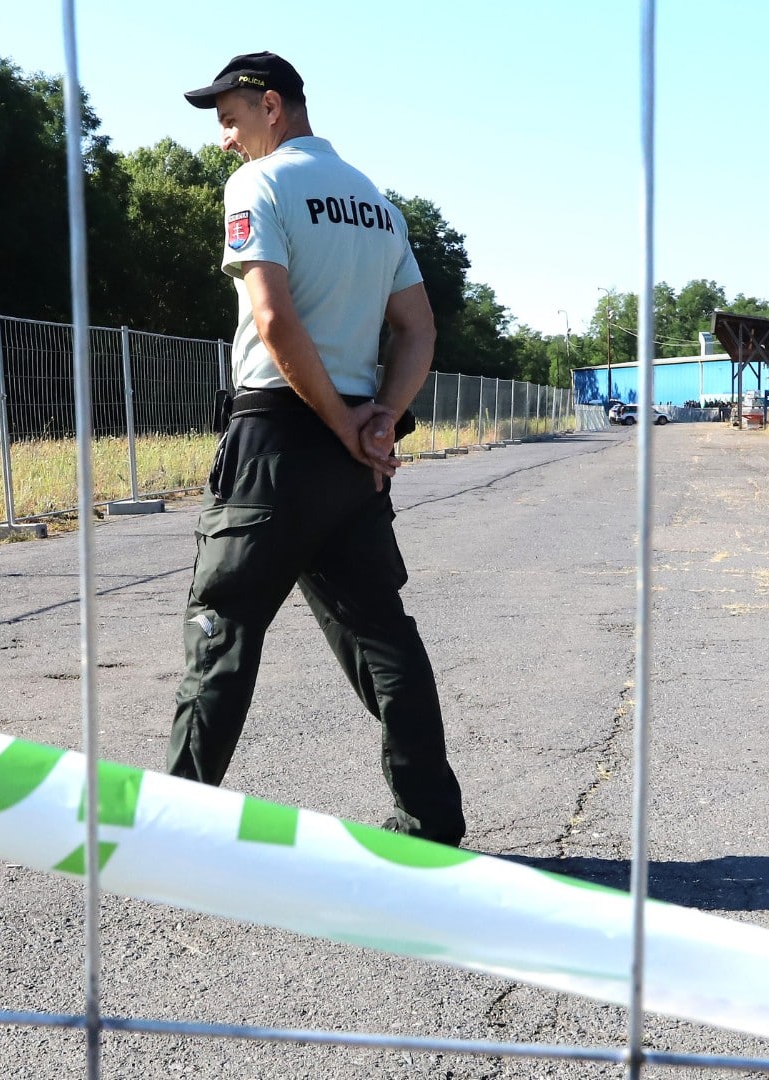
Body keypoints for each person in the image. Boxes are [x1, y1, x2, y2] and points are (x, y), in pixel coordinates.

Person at [166, 51, 465, 845]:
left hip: (276, 436)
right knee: (383, 634)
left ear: (271, 105)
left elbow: (273, 320)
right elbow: (418, 327)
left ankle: (174, 828)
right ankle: (432, 820)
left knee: (223, 624)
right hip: (353, 454)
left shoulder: (258, 186)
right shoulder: (376, 201)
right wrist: (379, 421)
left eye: (230, 119)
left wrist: (338, 420)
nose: (226, 139)